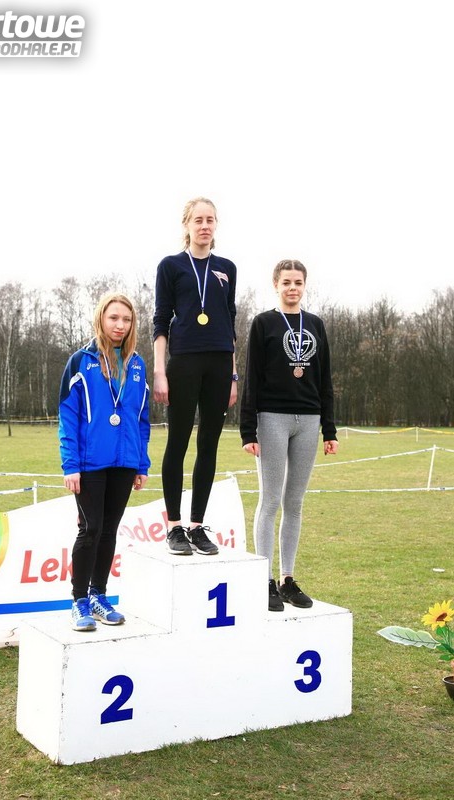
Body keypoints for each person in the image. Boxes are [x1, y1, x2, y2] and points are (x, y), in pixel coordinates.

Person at [240, 259, 338, 611]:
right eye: (286, 282)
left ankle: (287, 579)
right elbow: (251, 377)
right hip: (272, 418)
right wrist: (247, 430)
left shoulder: (315, 324)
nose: (292, 288)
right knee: (270, 501)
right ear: (276, 285)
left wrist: (329, 428)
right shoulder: (263, 323)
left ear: (304, 285)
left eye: (298, 282)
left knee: (294, 503)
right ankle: (263, 580)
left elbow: (324, 379)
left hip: (308, 419)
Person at [58, 292, 150, 631]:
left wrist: (141, 463)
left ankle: (99, 595)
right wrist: (70, 465)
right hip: (90, 462)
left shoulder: (137, 364)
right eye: (114, 318)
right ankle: (79, 601)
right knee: (91, 529)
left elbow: (142, 418)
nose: (120, 325)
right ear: (101, 319)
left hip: (124, 462)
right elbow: (68, 415)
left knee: (110, 529)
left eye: (126, 319)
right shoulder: (80, 361)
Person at [153, 197, 238, 556]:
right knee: (178, 441)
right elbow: (161, 320)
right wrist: (160, 370)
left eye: (210, 220)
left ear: (216, 225)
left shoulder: (227, 268)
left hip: (219, 364)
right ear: (186, 224)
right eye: (198, 220)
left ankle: (197, 525)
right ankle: (174, 526)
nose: (205, 226)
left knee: (209, 444)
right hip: (183, 362)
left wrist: (233, 374)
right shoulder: (171, 266)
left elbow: (230, 322)